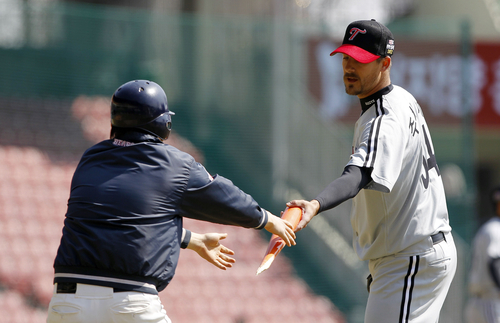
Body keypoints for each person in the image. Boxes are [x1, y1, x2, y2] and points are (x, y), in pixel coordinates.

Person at [46, 79, 296, 323]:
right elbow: (223, 196)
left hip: (67, 303)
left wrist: (190, 239)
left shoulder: (91, 158)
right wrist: (266, 219)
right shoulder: (174, 164)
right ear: (162, 122)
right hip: (130, 303)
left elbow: (117, 220)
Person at [287, 19, 457, 323]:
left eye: (361, 60)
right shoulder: (401, 99)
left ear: (384, 63)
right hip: (415, 252)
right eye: (346, 57)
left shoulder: (383, 118)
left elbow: (358, 175)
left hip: (409, 256)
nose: (349, 66)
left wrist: (315, 205)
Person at [465, 186, 500, 323]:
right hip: (490, 301)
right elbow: (495, 263)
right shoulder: (495, 229)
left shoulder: (489, 227)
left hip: (480, 300)